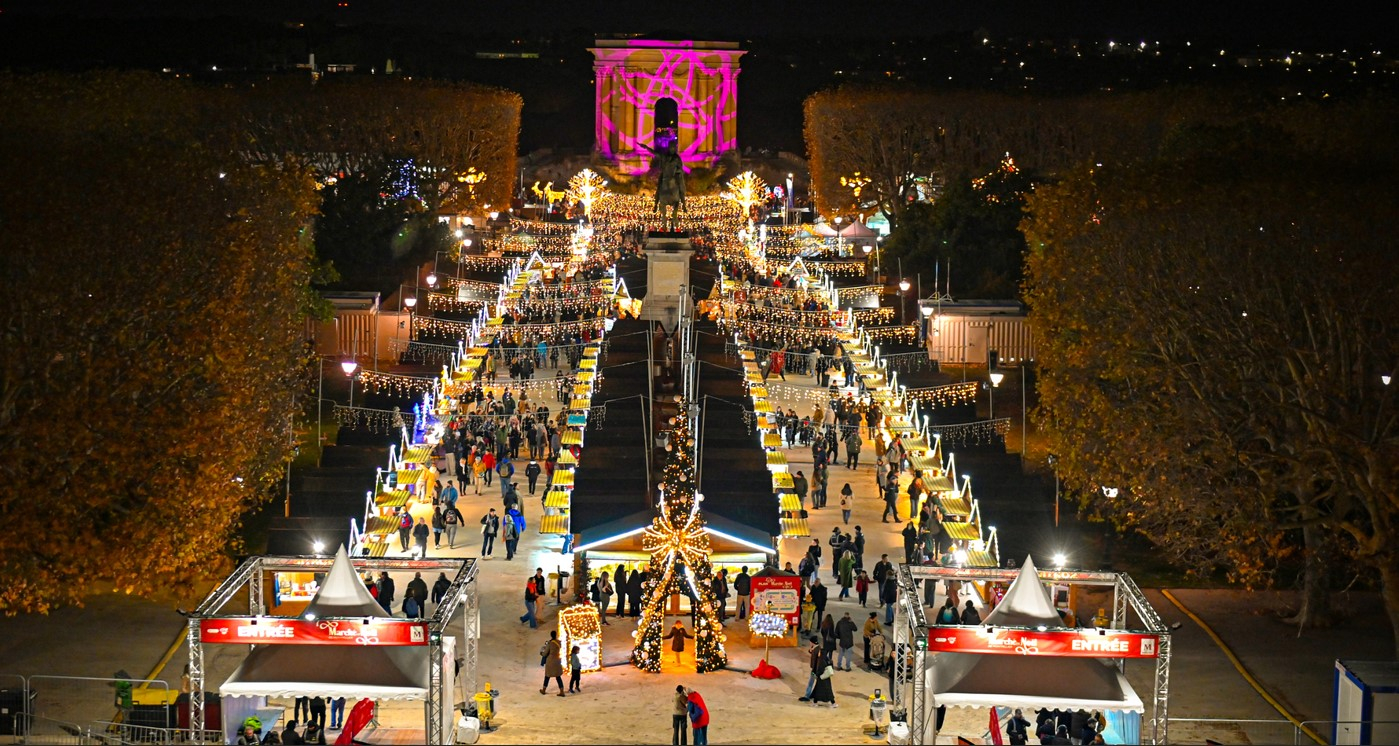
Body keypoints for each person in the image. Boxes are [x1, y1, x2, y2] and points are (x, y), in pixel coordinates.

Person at [540, 630, 565, 696]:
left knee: (547, 676)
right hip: (557, 660)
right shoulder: (559, 642)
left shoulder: (550, 643)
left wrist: (542, 653)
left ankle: (544, 689)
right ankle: (562, 691)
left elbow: (545, 653)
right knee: (558, 676)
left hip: (550, 661)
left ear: (551, 635)